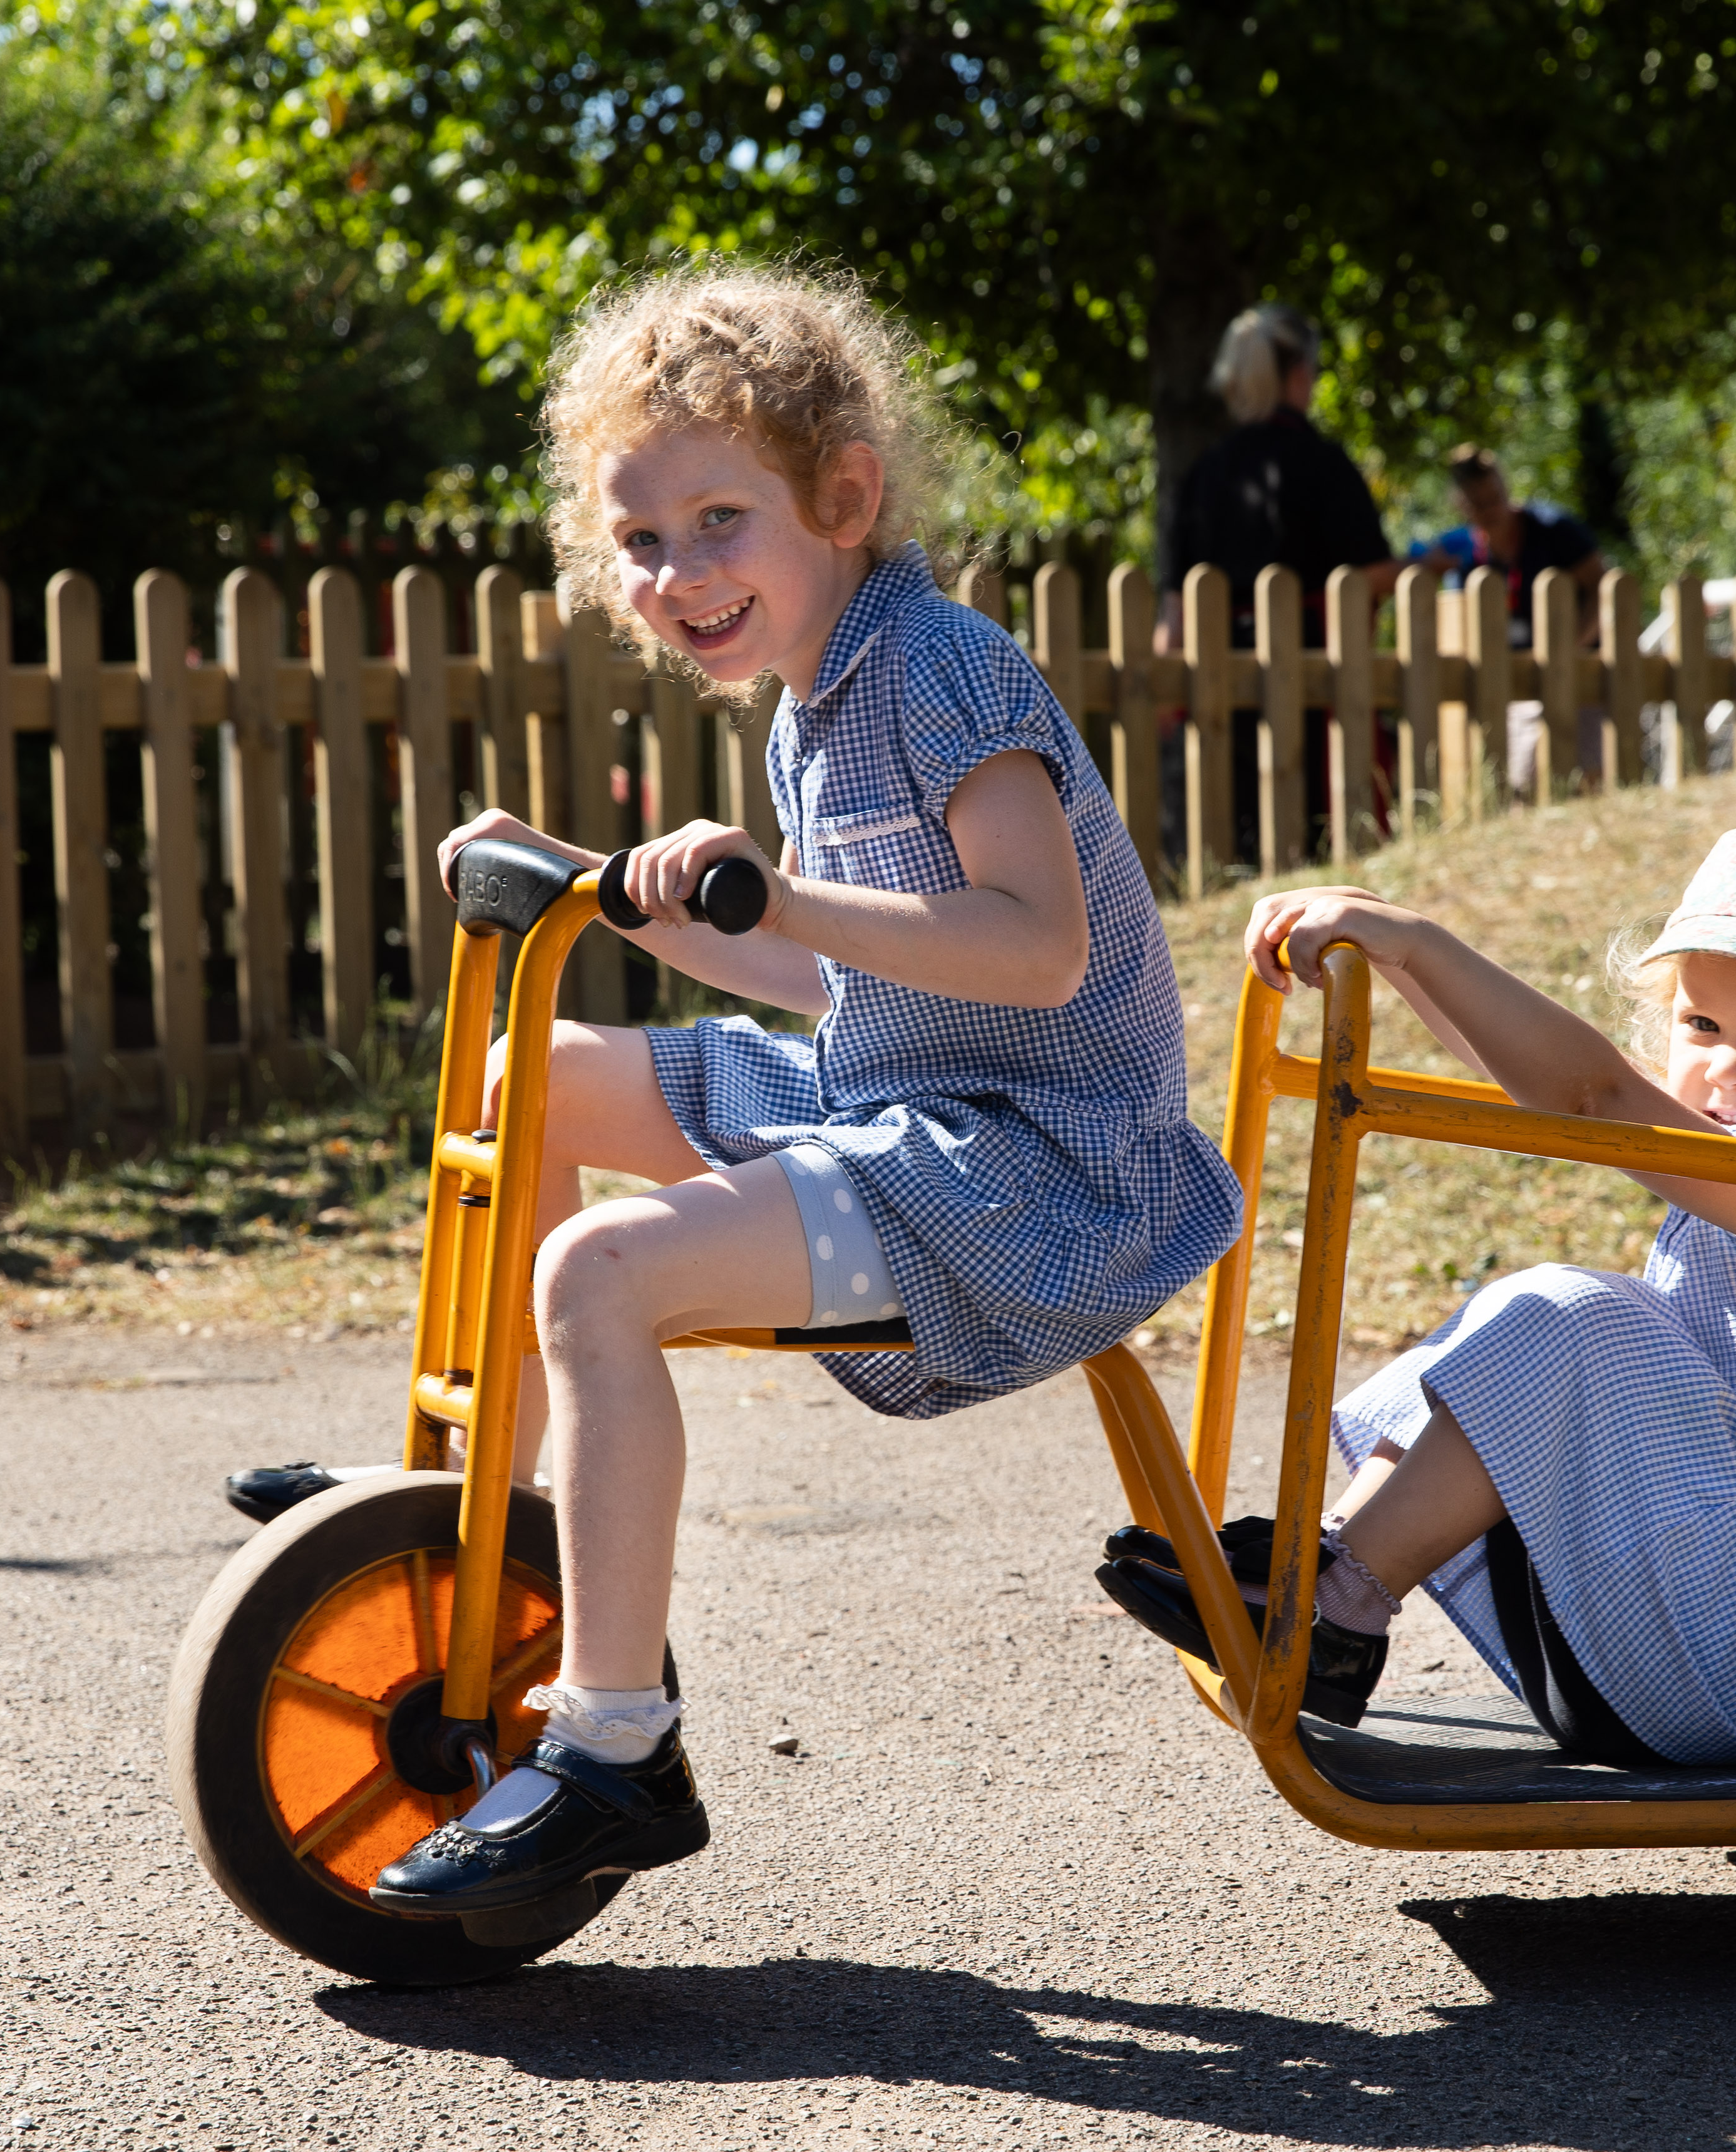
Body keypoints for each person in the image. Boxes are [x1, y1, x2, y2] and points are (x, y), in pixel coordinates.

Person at [361, 262, 1243, 1916]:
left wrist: (777, 893)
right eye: (641, 539)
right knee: (528, 1074)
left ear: (844, 499)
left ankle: (616, 1748)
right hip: (900, 1103)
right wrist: (594, 883)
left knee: (598, 1273)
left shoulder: (941, 668)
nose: (679, 573)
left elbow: (1038, 948)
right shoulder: (812, 705)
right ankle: (495, 1526)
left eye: (719, 521)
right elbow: (838, 977)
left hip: (1041, 1174)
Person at [1097, 823, 1736, 1758]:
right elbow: (1545, 1076)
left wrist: (1421, 943)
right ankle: (1323, 1568)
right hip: (1690, 1623)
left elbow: (1591, 1096)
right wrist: (1395, 955)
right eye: (1702, 1027)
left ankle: (1336, 1607)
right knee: (1538, 1322)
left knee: (1575, 1315)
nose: (1729, 1068)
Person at [1155, 305, 1408, 862]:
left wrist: (1163, 706)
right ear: (1299, 374)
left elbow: (1174, 613)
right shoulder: (1323, 464)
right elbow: (1370, 572)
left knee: (1232, 846)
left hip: (1216, 679)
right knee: (1319, 847)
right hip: (1315, 674)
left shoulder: (1202, 474)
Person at [1415, 445, 1605, 651]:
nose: (1489, 510)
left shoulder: (1553, 530)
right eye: (1477, 504)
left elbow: (1600, 587)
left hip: (1579, 659)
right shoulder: (1460, 551)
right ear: (1460, 505)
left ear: (1506, 490)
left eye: (1494, 498)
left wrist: (1573, 648)